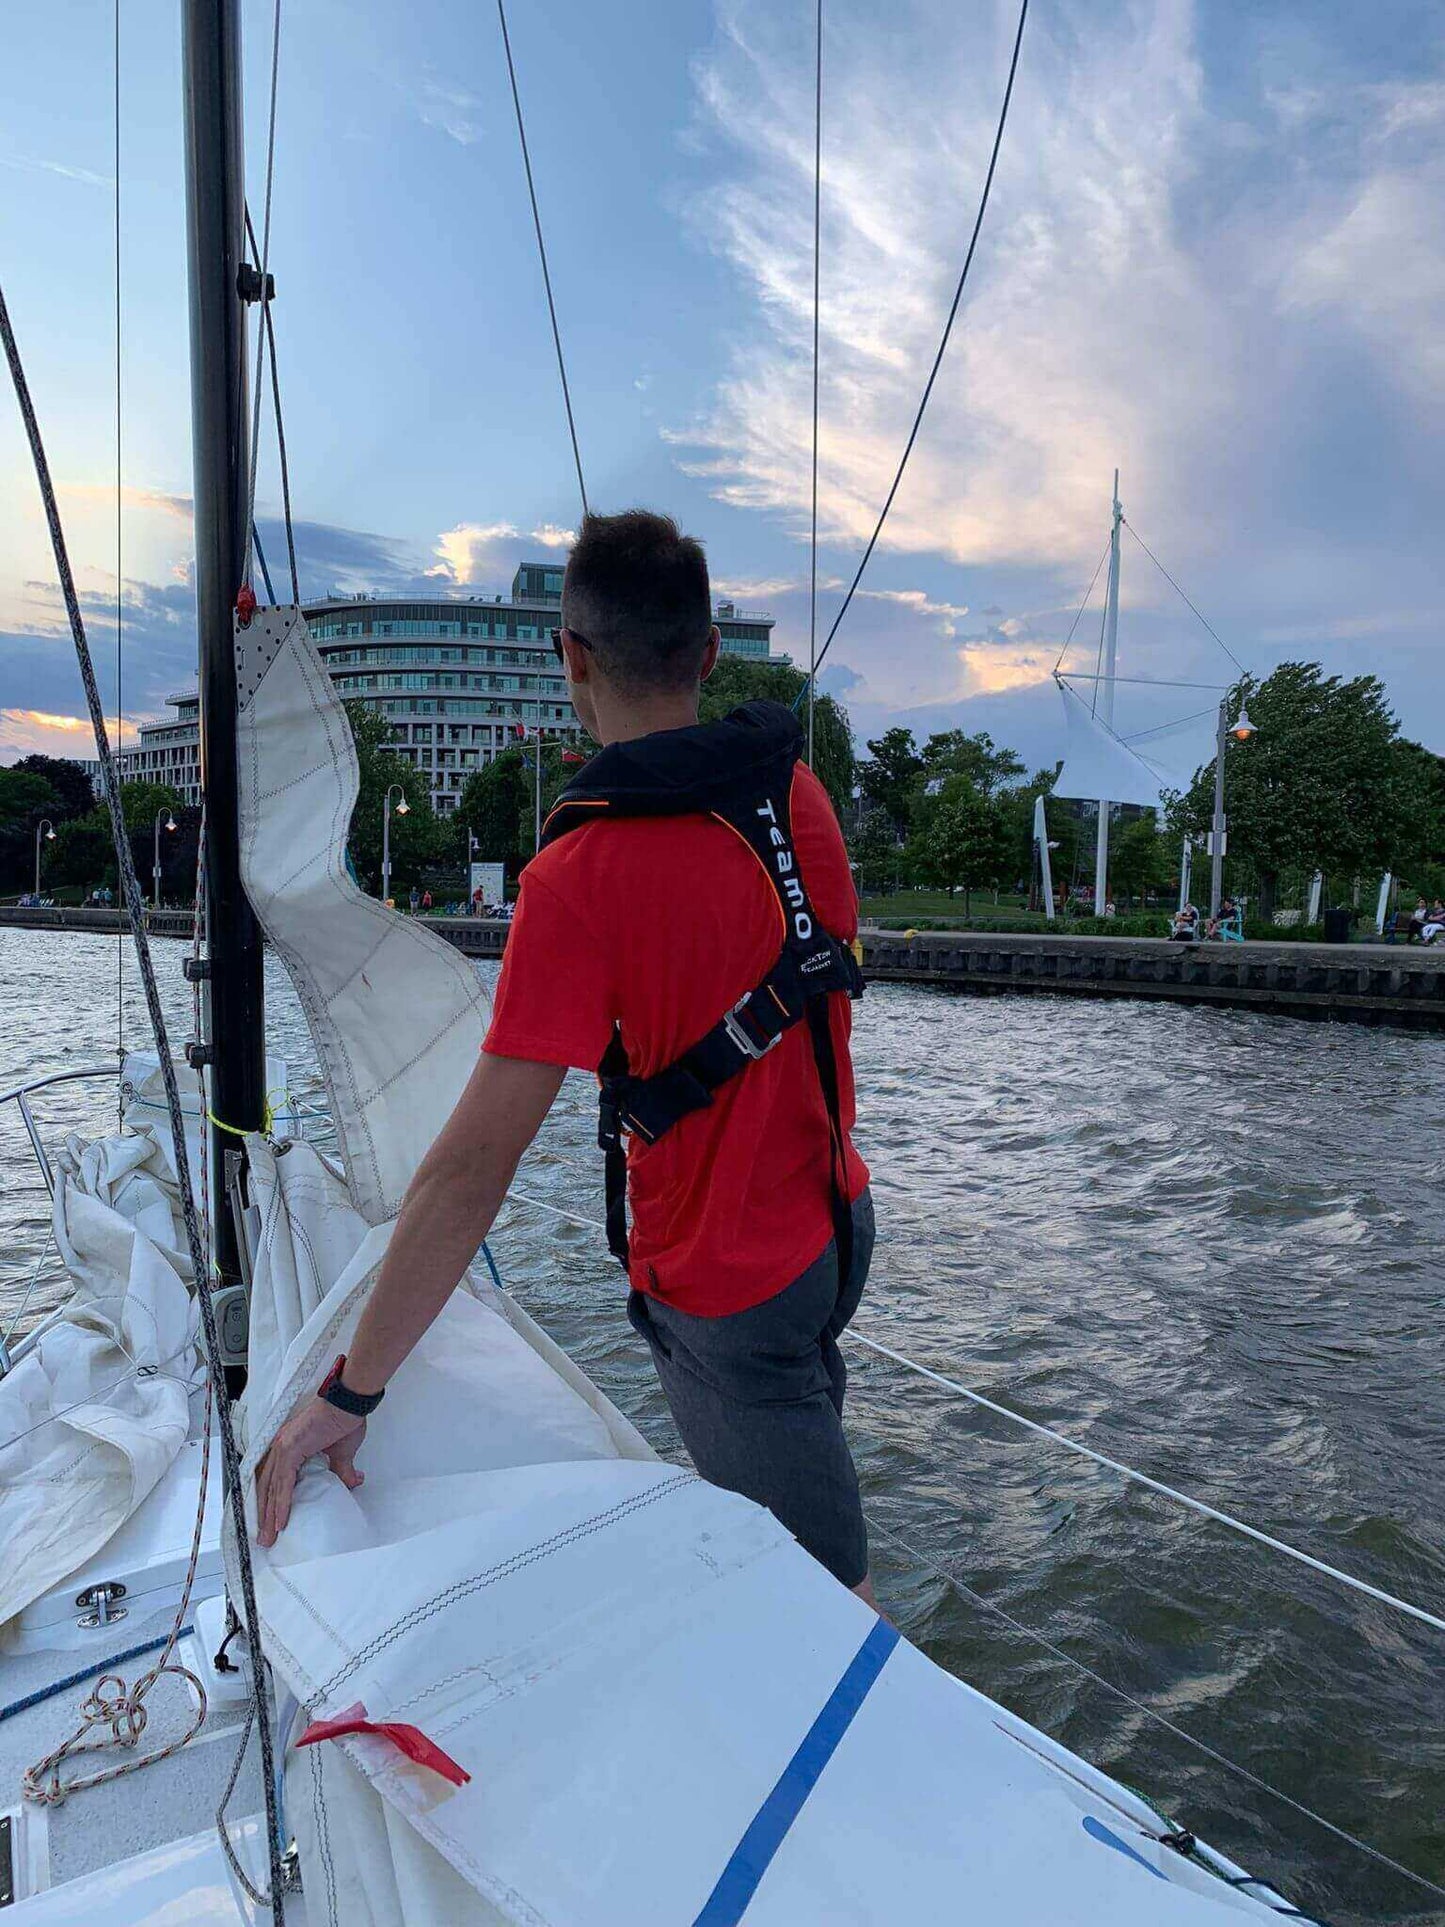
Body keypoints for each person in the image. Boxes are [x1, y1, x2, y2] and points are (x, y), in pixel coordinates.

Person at [256, 510, 878, 1603]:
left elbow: (468, 1172)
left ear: (570, 656)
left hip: (723, 1281)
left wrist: (348, 1395)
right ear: (709, 653)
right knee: (797, 1489)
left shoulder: (579, 875)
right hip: (834, 1228)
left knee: (820, 1596)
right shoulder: (798, 796)